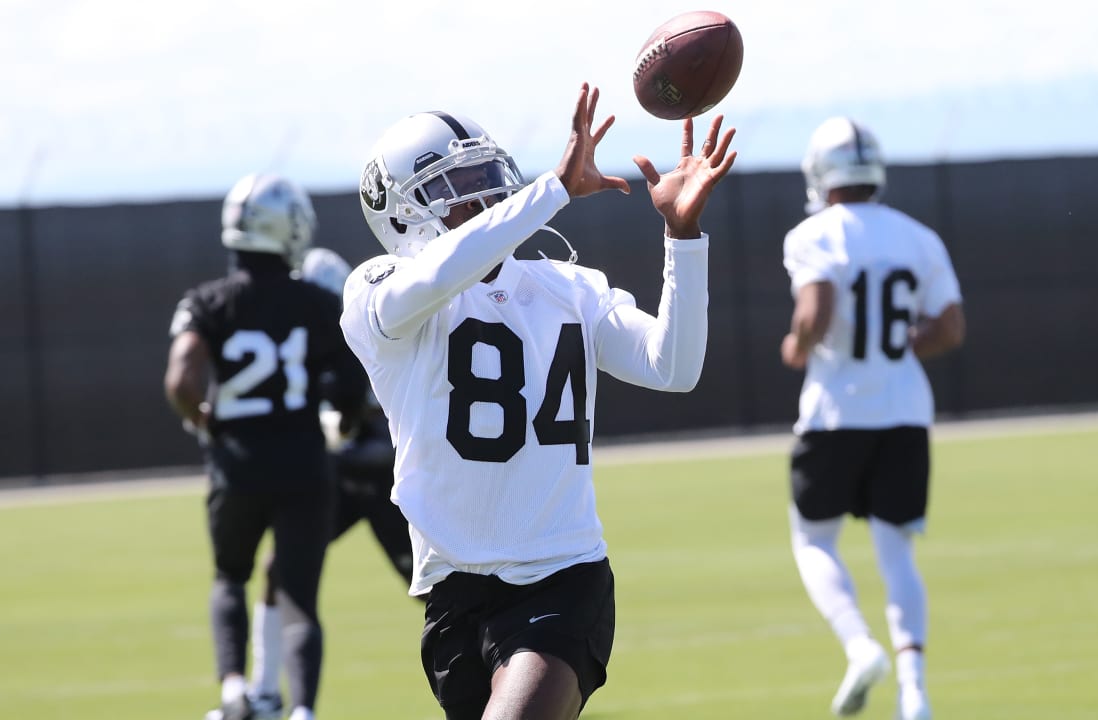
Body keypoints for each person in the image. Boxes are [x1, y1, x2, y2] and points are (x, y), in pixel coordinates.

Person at [339, 82, 736, 720]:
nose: (485, 195)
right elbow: (439, 274)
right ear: (401, 212)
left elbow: (673, 367)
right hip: (453, 589)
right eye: (453, 184)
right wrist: (549, 191)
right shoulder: (378, 292)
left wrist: (683, 240)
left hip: (562, 574)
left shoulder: (569, 288)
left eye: (486, 175)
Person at [779, 117, 965, 720]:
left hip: (836, 411)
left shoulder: (816, 234)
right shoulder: (918, 236)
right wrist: (898, 342)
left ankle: (860, 648)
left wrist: (799, 346)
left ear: (821, 174)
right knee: (897, 552)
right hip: (905, 410)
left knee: (814, 541)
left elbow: (817, 307)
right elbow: (950, 328)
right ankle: (915, 691)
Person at [164, 173, 368, 720]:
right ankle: (301, 710)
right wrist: (342, 422)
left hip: (237, 464)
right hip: (304, 464)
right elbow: (354, 386)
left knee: (231, 576)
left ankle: (235, 691)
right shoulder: (318, 302)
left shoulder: (207, 301)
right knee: (299, 599)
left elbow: (181, 379)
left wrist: (203, 419)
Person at [241, 247, 419, 713]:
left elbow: (382, 431)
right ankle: (264, 692)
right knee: (278, 569)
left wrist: (333, 437)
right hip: (338, 480)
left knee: (433, 585)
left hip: (386, 483)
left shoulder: (371, 335)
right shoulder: (307, 340)